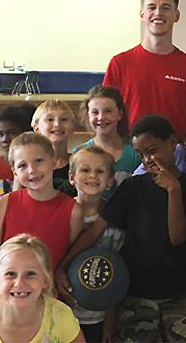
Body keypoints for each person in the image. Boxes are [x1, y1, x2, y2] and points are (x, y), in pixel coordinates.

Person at [56, 115, 186, 342]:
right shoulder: (132, 187)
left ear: (171, 142)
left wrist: (173, 191)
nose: (148, 159)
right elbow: (97, 229)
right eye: (140, 154)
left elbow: (177, 237)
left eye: (153, 149)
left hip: (180, 292)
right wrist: (63, 266)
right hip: (135, 294)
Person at [0, 132, 83, 301]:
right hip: (9, 299)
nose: (32, 170)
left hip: (50, 302)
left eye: (38, 161)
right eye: (23, 166)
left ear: (54, 161)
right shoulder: (7, 203)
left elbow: (70, 262)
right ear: (14, 172)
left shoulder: (73, 211)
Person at [103, 0, 186, 136]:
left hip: (174, 154)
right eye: (151, 7)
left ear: (176, 15)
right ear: (142, 14)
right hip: (128, 151)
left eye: (165, 8)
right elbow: (106, 112)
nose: (158, 13)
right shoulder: (119, 63)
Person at [0, 233, 85, 342]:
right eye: (10, 274)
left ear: (45, 279)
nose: (19, 284)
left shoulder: (60, 318)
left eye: (30, 274)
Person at [68, 146, 119, 342]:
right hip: (64, 314)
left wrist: (109, 322)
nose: (92, 176)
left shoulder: (116, 224)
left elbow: (117, 274)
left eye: (100, 171)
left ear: (110, 180)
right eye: (85, 170)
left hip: (98, 317)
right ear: (72, 177)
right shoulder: (60, 214)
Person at [74, 85, 141, 192]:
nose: (101, 117)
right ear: (88, 115)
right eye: (95, 112)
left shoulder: (135, 153)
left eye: (108, 111)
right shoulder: (79, 153)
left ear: (120, 114)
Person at [0, 105, 33, 205]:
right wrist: (4, 205)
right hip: (0, 220)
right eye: (1, 134)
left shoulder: (35, 167)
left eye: (12, 132)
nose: (5, 139)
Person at [32, 99, 76, 196]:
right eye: (50, 119)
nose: (57, 124)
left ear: (72, 127)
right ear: (36, 128)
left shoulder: (79, 164)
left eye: (64, 119)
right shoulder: (30, 166)